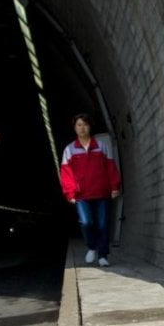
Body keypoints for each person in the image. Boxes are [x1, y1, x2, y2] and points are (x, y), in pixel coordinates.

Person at [60, 113, 121, 267]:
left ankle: (102, 255)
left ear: (90, 127)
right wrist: (70, 192)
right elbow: (66, 173)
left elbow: (111, 167)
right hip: (82, 195)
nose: (82, 128)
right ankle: (92, 247)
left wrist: (114, 186)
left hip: (102, 192)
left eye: (85, 124)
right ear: (74, 128)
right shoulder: (70, 149)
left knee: (102, 225)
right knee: (86, 222)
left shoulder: (101, 146)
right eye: (79, 125)